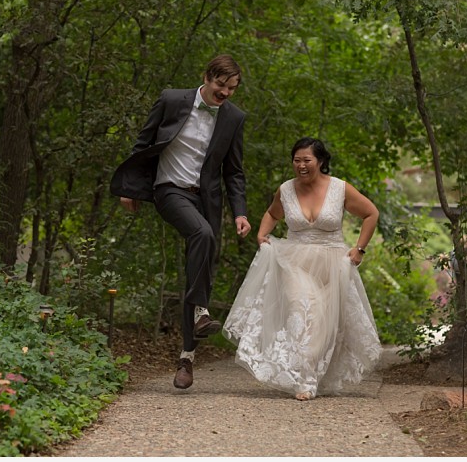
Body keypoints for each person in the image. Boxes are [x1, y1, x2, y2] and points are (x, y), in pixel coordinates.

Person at [110, 54, 252, 390]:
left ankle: (187, 359)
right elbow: (143, 142)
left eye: (231, 88)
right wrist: (129, 188)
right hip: (169, 190)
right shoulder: (172, 99)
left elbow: (234, 172)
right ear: (206, 76)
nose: (225, 93)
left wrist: (240, 212)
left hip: (207, 199)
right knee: (201, 233)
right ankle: (201, 309)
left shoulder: (234, 118)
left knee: (199, 268)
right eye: (221, 85)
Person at [223, 137, 381, 400]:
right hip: (294, 261)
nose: (301, 165)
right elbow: (273, 214)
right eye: (296, 161)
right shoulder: (285, 190)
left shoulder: (340, 189)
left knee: (324, 323)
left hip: (332, 264)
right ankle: (305, 380)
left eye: (307, 160)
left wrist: (360, 249)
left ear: (320, 161)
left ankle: (312, 373)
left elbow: (371, 213)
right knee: (302, 310)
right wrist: (262, 235)